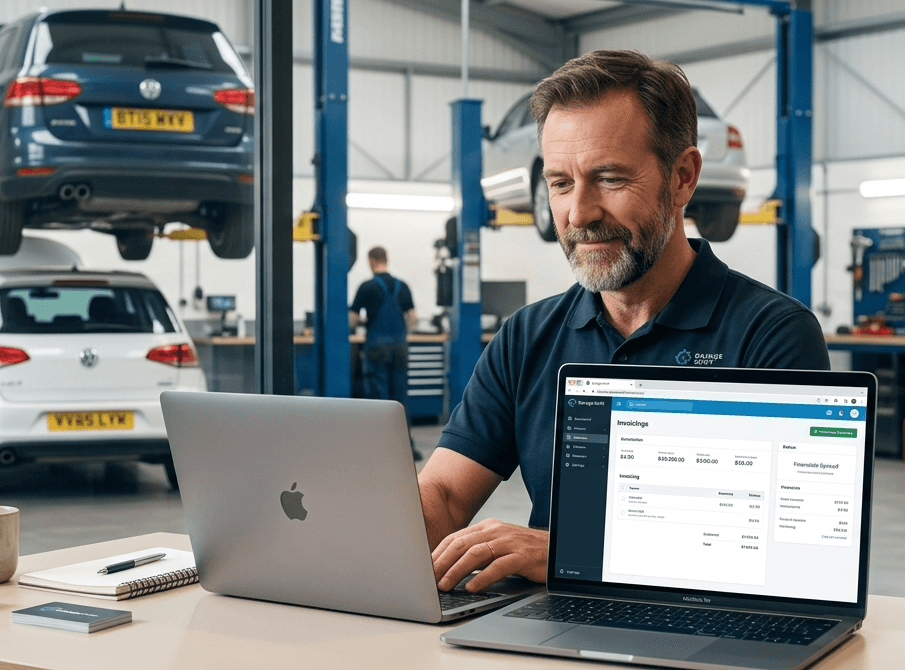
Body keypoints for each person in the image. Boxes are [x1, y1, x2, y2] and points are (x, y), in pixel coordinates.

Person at [419, 50, 830, 593]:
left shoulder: (771, 336)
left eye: (609, 179)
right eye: (561, 184)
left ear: (683, 178)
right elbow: (446, 495)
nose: (579, 214)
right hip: (545, 631)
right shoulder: (527, 338)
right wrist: (361, 525)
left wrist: (573, 552)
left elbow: (794, 556)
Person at [349, 246, 418, 453]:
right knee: (400, 397)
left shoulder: (366, 287)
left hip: (377, 347)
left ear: (371, 261)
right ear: (386, 259)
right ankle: (405, 446)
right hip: (399, 348)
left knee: (379, 398)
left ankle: (380, 447)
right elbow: (413, 317)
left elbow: (352, 319)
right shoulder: (402, 285)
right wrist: (401, 332)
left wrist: (362, 321)